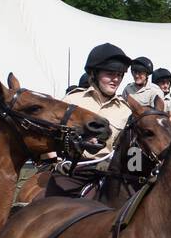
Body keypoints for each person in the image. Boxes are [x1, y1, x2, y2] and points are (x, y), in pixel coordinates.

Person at [50, 43, 134, 197]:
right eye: (110, 73)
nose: (116, 79)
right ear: (94, 73)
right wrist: (56, 160)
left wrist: (137, 172)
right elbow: (50, 135)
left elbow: (132, 151)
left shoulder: (126, 110)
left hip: (108, 175)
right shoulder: (72, 100)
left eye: (120, 74)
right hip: (72, 173)